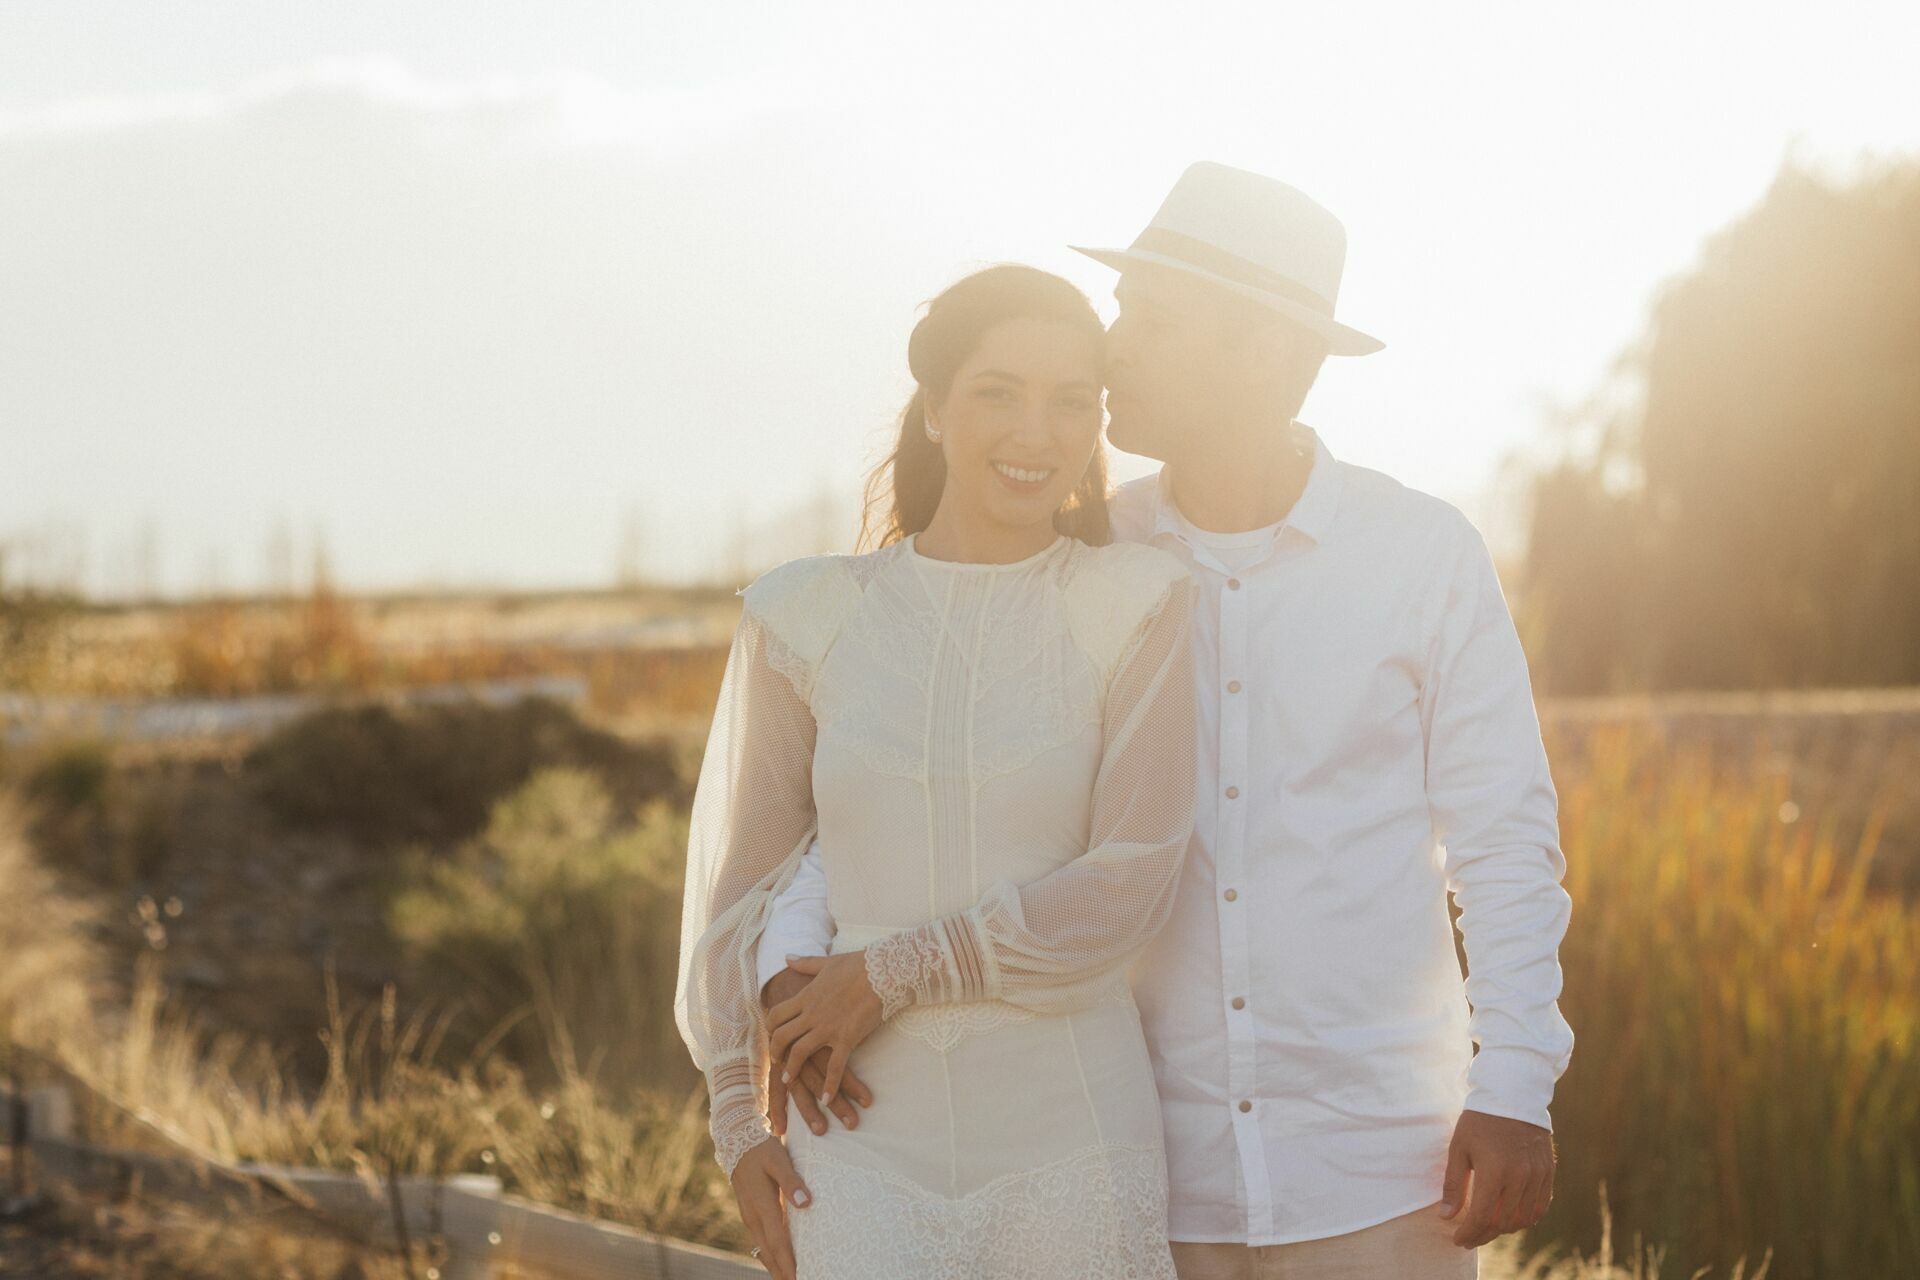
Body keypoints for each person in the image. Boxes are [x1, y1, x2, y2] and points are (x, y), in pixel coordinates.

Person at [757, 163, 1575, 1279]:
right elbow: (886, 776)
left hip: (1382, 1170)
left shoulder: (1423, 556)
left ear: (1268, 353)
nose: (1114, 342)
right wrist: (792, 965)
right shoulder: (1086, 565)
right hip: (1140, 1168)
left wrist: (1516, 1081)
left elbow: (1504, 838)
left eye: (1151, 314)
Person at [673, 262, 1199, 1279]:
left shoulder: (1135, 601)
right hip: (856, 1148)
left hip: (1072, 1137)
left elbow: (1131, 878)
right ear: (933, 408)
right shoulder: (806, 615)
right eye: (999, 391)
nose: (1036, 432)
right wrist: (737, 1120)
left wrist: (889, 970)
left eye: (1071, 402)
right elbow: (746, 888)